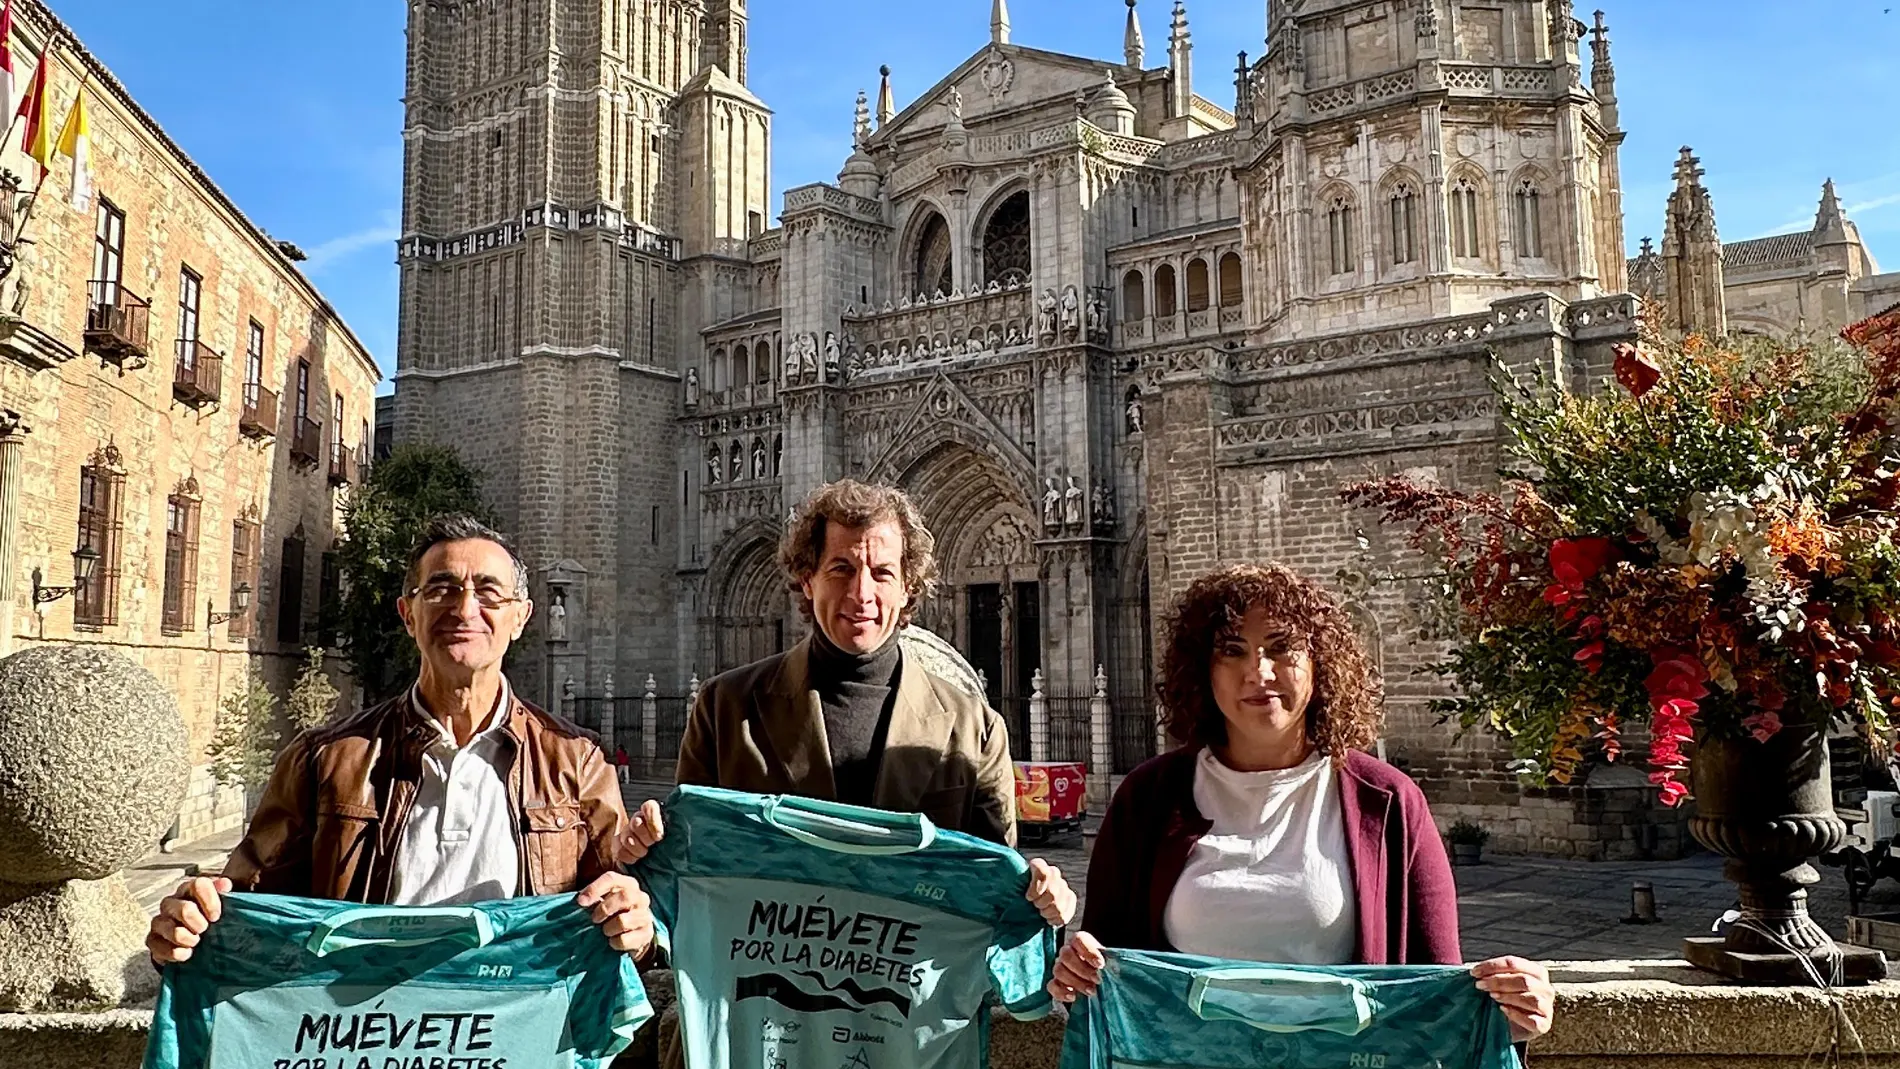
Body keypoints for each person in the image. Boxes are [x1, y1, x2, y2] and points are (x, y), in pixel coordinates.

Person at [1047, 564, 1554, 1043]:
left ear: (1319, 665)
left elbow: (1438, 990)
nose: (1258, 671)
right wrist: (1076, 971)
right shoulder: (1147, 799)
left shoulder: (1387, 802)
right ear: (1204, 669)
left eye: (1281, 646)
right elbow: (1103, 977)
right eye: (1232, 650)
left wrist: (1512, 1013)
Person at [147, 515, 655, 965]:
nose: (465, 608)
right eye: (441, 589)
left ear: (520, 618)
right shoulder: (323, 761)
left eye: (489, 592)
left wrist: (637, 928)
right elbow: (245, 910)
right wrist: (192, 923)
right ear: (407, 614)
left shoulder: (576, 761)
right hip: (366, 1038)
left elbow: (622, 912)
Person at [624, 479, 1075, 929]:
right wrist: (640, 855)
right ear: (807, 579)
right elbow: (690, 877)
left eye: (882, 573)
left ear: (907, 588)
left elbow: (992, 894)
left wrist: (1042, 899)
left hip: (914, 993)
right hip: (764, 986)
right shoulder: (727, 709)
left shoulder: (973, 726)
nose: (862, 595)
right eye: (841, 568)